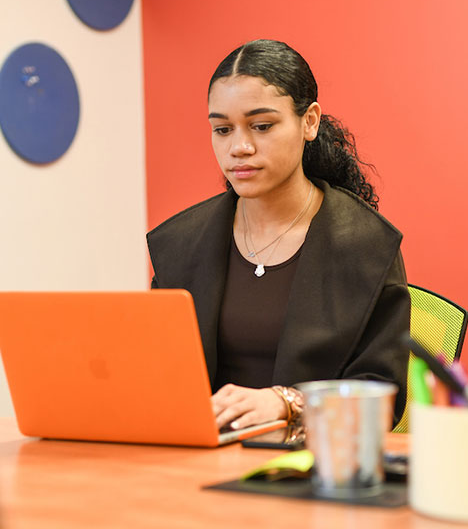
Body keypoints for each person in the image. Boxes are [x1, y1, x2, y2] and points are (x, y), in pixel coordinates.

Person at [147, 39, 410, 432]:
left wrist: (286, 402)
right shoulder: (180, 243)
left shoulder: (366, 245)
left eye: (262, 126)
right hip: (197, 462)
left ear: (310, 122)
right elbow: (157, 376)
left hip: (309, 467)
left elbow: (381, 396)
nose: (240, 147)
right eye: (222, 129)